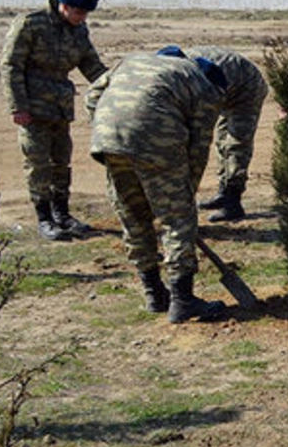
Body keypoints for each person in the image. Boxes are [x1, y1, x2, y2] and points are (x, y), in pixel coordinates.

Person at [85, 47, 228, 323]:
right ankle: (182, 301)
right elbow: (199, 146)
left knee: (133, 213)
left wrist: (109, 132)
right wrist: (185, 195)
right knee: (177, 221)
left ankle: (153, 293)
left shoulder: (132, 60)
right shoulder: (204, 86)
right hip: (156, 138)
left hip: (109, 138)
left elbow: (92, 96)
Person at [0, 0, 108, 241]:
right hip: (33, 107)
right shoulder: (31, 24)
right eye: (79, 12)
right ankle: (45, 218)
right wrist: (18, 106)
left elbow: (91, 65)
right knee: (38, 164)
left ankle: (63, 214)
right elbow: (11, 66)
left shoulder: (78, 30)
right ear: (64, 5)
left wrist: (115, 86)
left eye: (85, 14)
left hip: (60, 107)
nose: (82, 18)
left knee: (61, 163)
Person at [186, 46, 269, 222]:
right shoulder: (177, 70)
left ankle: (233, 202)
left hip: (246, 88)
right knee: (221, 141)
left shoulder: (195, 76)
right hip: (226, 86)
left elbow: (199, 135)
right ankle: (223, 193)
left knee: (236, 144)